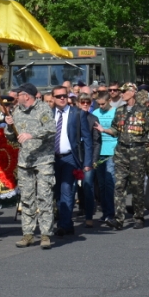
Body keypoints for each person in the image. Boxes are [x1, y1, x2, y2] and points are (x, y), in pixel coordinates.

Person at [96, 83, 149, 230]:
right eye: (121, 91)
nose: (122, 93)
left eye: (124, 91)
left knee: (136, 186)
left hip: (138, 152)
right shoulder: (120, 111)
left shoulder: (144, 110)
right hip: (122, 152)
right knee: (119, 185)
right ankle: (119, 218)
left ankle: (138, 216)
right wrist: (103, 130)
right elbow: (115, 129)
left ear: (132, 92)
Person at [5, 82, 56, 249]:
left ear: (26, 96)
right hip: (25, 161)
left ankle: (45, 234)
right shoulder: (17, 111)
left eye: (18, 95)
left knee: (44, 197)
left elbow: (51, 128)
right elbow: (12, 138)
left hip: (43, 160)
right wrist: (9, 125)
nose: (16, 98)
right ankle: (28, 233)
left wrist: (31, 134)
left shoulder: (43, 109)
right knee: (26, 198)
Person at [51, 85, 93, 237]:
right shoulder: (49, 114)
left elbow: (87, 140)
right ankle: (64, 221)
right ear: (53, 99)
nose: (62, 98)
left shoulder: (77, 114)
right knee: (56, 192)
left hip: (70, 157)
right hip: (52, 159)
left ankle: (65, 224)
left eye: (64, 95)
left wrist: (87, 163)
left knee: (67, 190)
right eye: (58, 96)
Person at [84, 94, 116, 228]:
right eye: (99, 104)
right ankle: (105, 212)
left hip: (111, 151)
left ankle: (111, 213)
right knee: (101, 185)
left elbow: (117, 131)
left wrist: (105, 130)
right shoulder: (96, 113)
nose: (101, 107)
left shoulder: (115, 112)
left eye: (103, 104)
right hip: (99, 153)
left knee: (110, 183)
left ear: (109, 100)